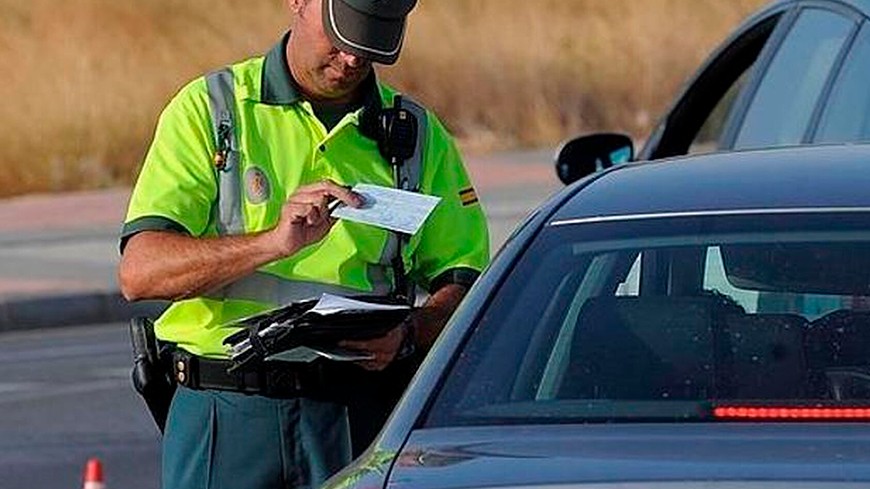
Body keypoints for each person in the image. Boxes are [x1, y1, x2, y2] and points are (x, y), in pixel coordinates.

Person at [117, 0, 490, 487]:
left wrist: (409, 335)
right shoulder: (212, 110)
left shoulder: (418, 136)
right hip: (225, 410)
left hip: (357, 412)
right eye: (341, 35)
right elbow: (140, 272)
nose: (353, 59)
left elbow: (471, 287)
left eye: (370, 43)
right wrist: (271, 243)